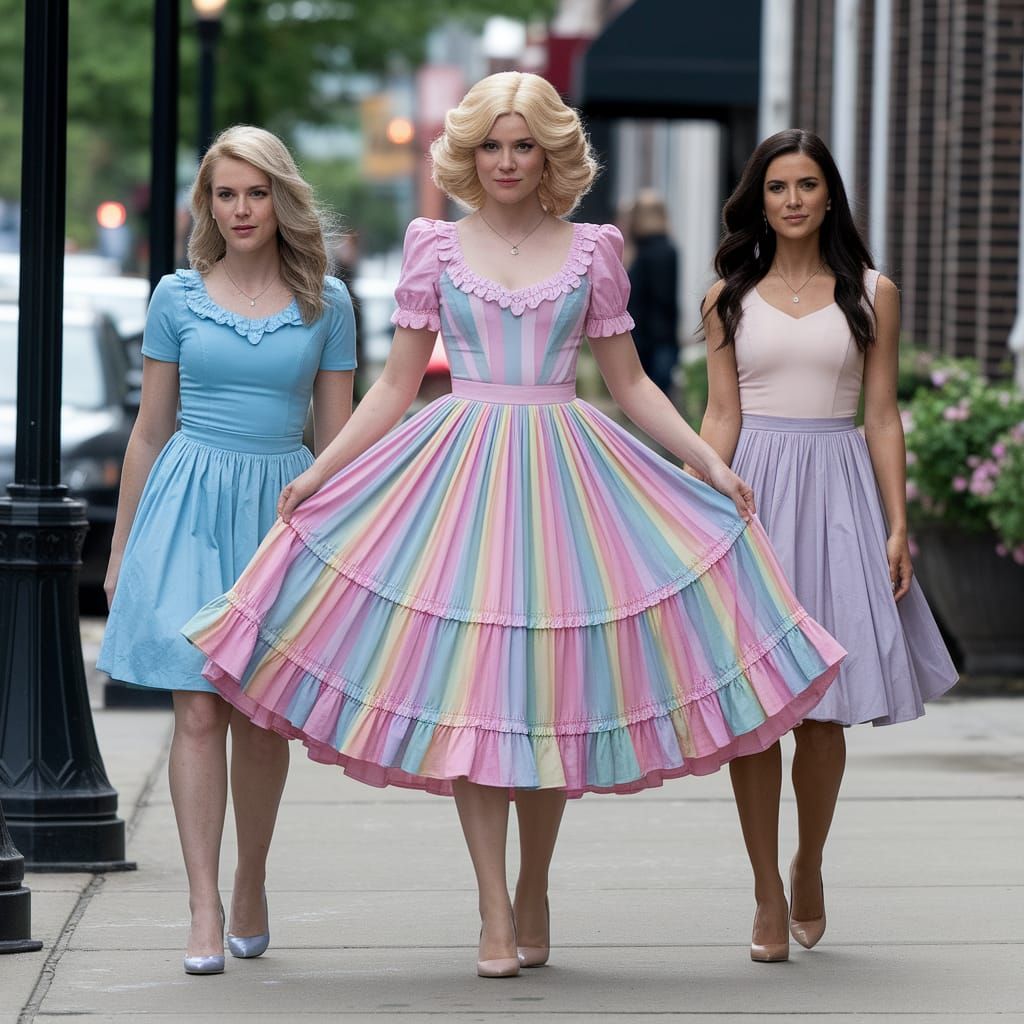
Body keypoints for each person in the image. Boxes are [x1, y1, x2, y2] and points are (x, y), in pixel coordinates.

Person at [182, 74, 845, 979]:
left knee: (544, 698)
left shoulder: (594, 250)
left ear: (549, 153)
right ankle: (494, 906)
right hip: (460, 475)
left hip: (566, 477)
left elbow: (633, 384)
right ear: (469, 152)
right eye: (491, 144)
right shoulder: (433, 247)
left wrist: (710, 463)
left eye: (522, 144)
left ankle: (534, 884)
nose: (504, 161)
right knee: (478, 700)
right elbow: (393, 383)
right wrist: (321, 472)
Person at [98, 126, 356, 975]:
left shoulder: (328, 302)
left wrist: (343, 544)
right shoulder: (176, 296)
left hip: (280, 512)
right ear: (205, 204)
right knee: (198, 707)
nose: (241, 209)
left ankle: (251, 878)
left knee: (259, 717)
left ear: (281, 198)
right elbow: (148, 429)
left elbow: (339, 437)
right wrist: (122, 546)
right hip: (186, 510)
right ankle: (204, 905)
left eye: (255, 192)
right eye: (224, 194)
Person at [699, 129, 958, 964]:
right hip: (755, 501)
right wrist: (705, 505)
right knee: (754, 713)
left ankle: (808, 860)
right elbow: (721, 416)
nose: (794, 200)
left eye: (808, 184)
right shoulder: (726, 297)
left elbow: (881, 414)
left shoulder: (872, 291)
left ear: (830, 195)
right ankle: (766, 889)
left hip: (841, 493)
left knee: (824, 707)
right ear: (759, 200)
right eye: (778, 187)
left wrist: (897, 521)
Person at [626, 190, 680, 397]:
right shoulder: (667, 249)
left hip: (647, 337)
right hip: (663, 335)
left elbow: (656, 297)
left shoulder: (647, 253)